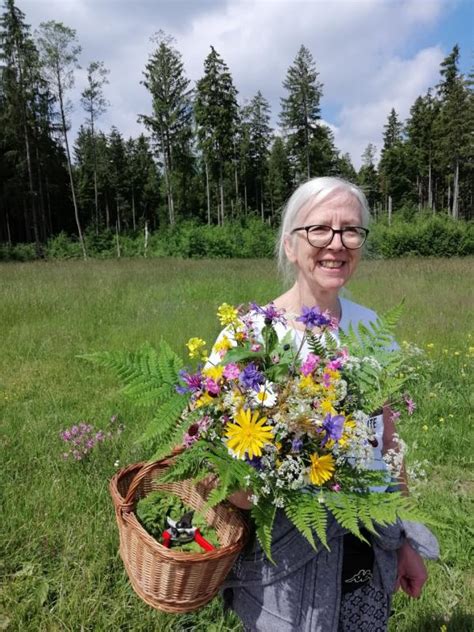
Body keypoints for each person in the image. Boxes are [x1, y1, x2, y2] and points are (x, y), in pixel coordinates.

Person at [218, 177, 438, 632]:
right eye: (320, 229)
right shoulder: (248, 337)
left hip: (364, 554)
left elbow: (388, 445)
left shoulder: (372, 328)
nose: (336, 244)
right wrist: (266, 477)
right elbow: (219, 478)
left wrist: (403, 541)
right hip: (282, 570)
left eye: (351, 230)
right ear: (291, 245)